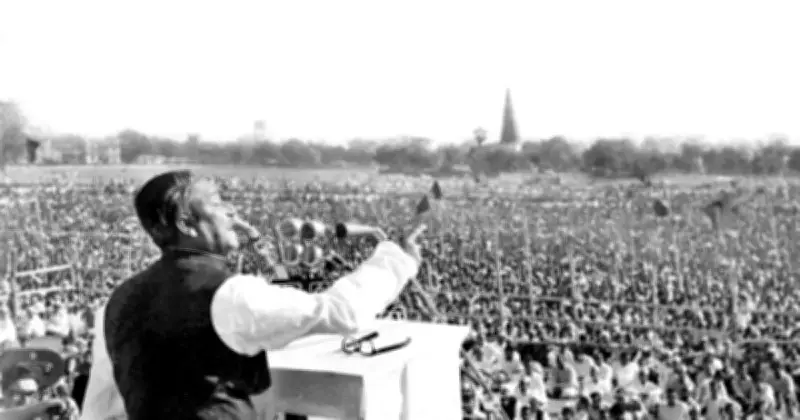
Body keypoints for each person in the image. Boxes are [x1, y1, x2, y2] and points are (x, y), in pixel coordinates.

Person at [80, 170, 426, 420]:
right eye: (218, 203)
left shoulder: (116, 302)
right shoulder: (230, 295)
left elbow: (100, 409)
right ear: (186, 224)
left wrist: (256, 250)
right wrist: (397, 259)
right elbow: (342, 312)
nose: (232, 211)